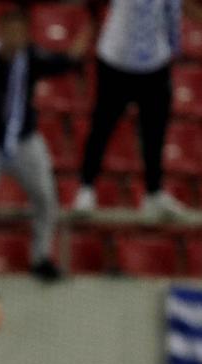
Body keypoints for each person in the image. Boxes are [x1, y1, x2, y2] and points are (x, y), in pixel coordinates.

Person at [0, 9, 89, 284]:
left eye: (20, 32)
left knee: (46, 197)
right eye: (9, 31)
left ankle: (41, 257)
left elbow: (67, 61)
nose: (14, 38)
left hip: (24, 140)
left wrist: (87, 31)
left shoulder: (33, 60)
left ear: (26, 35)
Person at [74, 0, 202, 220]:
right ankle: (86, 187)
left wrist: (174, 48)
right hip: (117, 60)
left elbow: (174, 13)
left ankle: (153, 193)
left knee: (155, 133)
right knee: (102, 127)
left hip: (154, 63)